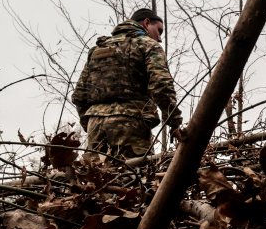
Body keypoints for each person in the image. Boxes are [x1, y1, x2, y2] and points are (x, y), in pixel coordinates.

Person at [72, 8, 183, 160]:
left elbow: (79, 95)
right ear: (146, 23)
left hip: (95, 124)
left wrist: (90, 122)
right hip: (131, 123)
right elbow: (161, 86)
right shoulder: (148, 45)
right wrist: (174, 122)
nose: (159, 39)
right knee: (132, 178)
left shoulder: (98, 49)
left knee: (97, 179)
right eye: (159, 31)